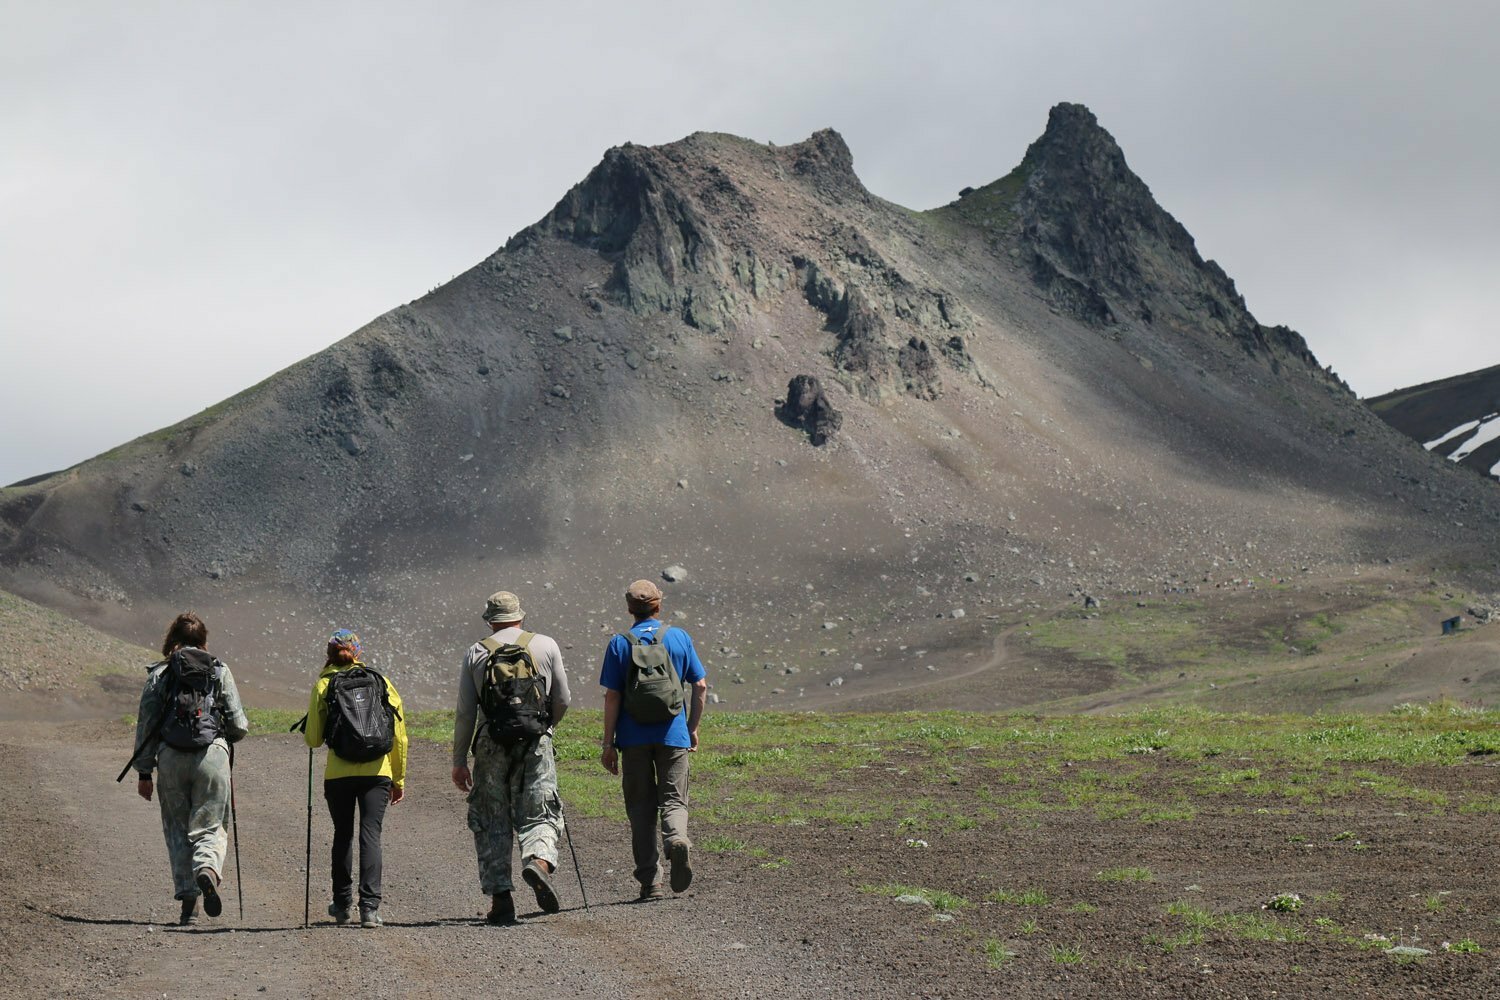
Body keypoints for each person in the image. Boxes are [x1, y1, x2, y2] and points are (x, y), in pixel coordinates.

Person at [452, 590, 572, 925]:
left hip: (492, 743)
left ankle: (501, 899)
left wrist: (459, 760)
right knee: (540, 809)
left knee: (492, 818)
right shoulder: (546, 645)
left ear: (490, 620)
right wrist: (545, 727)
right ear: (520, 615)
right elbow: (563, 698)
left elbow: (465, 712)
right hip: (535, 741)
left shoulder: (476, 652)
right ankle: (539, 861)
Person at [130, 612, 250, 926]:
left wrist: (144, 772)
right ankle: (207, 869)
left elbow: (146, 727)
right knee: (210, 826)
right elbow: (239, 724)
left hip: (170, 757)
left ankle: (188, 904)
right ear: (203, 639)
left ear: (173, 638)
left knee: (177, 829)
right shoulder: (219, 669)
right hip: (212, 756)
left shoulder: (161, 673)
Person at [598, 579, 708, 901]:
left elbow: (612, 697)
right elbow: (699, 686)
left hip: (632, 741)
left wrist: (608, 743)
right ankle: (676, 840)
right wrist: (692, 727)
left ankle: (651, 883)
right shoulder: (678, 637)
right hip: (673, 735)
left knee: (640, 808)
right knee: (674, 800)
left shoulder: (620, 644)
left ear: (630, 609)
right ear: (659, 605)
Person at [303, 629, 407, 929]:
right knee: (370, 835)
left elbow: (312, 739)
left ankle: (342, 904)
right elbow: (399, 736)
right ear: (357, 653)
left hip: (338, 774)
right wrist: (398, 778)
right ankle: (370, 909)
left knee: (343, 835)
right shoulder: (380, 681)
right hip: (378, 773)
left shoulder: (324, 683)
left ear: (330, 653)